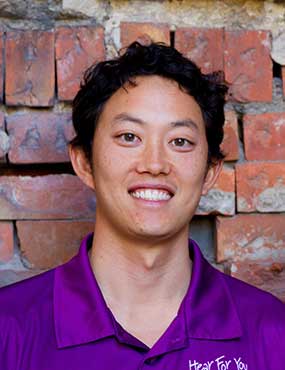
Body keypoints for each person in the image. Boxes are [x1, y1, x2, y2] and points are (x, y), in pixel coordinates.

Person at [0, 41, 284, 370]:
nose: (154, 164)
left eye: (180, 141)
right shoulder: (10, 330)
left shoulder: (271, 331)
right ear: (84, 162)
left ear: (209, 172)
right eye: (129, 137)